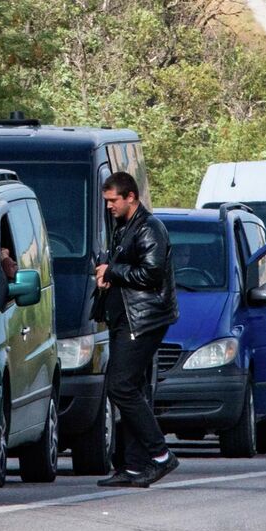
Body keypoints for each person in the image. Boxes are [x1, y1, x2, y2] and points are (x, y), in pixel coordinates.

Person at [93, 171, 179, 488]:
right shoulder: (124, 227)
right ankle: (132, 466)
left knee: (121, 387)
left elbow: (152, 273)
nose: (109, 207)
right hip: (124, 318)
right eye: (106, 201)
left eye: (113, 201)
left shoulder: (150, 228)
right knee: (134, 389)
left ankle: (160, 456)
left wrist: (113, 270)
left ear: (131, 197)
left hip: (143, 319)